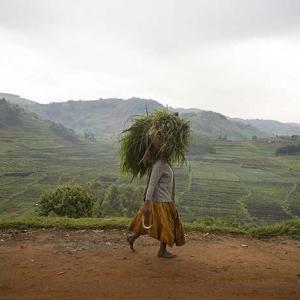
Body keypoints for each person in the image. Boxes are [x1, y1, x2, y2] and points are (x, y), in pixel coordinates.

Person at [127, 151, 185, 258]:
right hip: (159, 202)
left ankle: (132, 238)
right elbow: (151, 185)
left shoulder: (165, 164)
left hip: (166, 200)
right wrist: (147, 203)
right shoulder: (159, 165)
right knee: (167, 226)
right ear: (161, 151)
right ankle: (162, 251)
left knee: (153, 224)